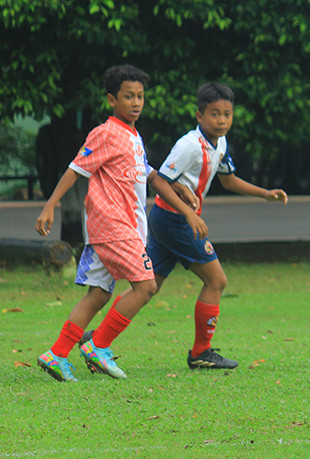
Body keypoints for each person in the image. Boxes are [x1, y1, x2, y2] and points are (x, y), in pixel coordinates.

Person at [35, 64, 207, 382]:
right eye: (129, 96)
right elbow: (75, 169)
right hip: (114, 226)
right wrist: (50, 206)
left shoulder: (133, 136)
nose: (136, 102)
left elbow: (150, 174)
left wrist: (181, 195)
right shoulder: (105, 133)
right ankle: (98, 346)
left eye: (140, 96)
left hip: (118, 229)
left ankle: (56, 354)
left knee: (98, 294)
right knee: (146, 286)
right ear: (112, 100)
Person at [145, 82, 288, 370]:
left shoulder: (219, 143)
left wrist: (265, 193)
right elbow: (160, 180)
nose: (221, 120)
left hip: (166, 218)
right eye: (214, 114)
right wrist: (189, 213)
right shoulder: (188, 145)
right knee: (217, 280)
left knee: (147, 287)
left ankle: (97, 339)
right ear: (199, 116)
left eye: (227, 114)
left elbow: (228, 179)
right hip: (175, 220)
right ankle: (201, 352)